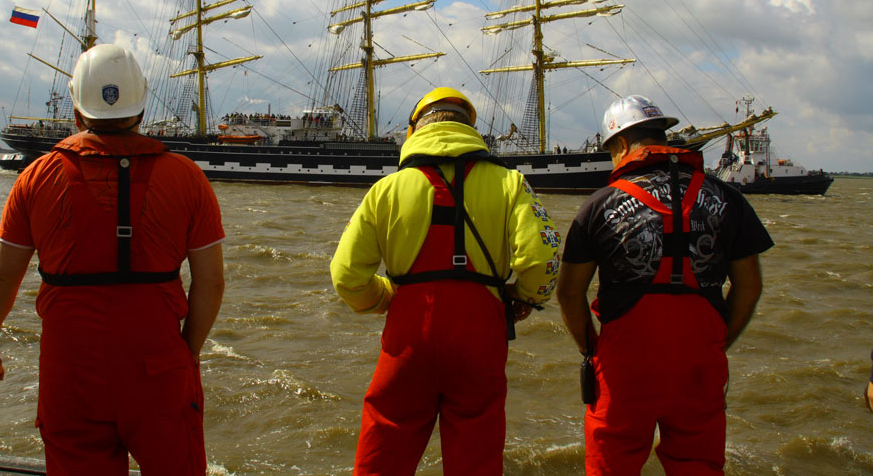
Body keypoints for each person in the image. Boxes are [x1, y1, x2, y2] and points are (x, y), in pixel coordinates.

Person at [0, 44, 225, 475]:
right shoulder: (187, 177)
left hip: (71, 370)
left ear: (76, 107)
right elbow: (211, 282)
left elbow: (0, 274)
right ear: (141, 105)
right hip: (159, 365)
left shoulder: (37, 176)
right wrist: (186, 353)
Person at [330, 87, 561, 475]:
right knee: (477, 450)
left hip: (408, 335)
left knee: (386, 441)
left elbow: (346, 275)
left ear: (413, 131)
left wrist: (384, 298)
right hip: (480, 334)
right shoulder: (511, 183)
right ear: (471, 128)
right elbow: (544, 258)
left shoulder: (385, 190)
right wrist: (524, 298)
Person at [557, 95, 772, 475]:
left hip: (624, 366)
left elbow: (569, 292)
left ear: (621, 145)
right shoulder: (729, 199)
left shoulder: (599, 205)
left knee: (613, 463)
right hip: (699, 363)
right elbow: (750, 286)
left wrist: (592, 349)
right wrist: (720, 341)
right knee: (698, 464)